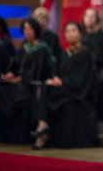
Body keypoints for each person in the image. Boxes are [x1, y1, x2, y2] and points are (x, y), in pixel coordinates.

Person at [0, 19, 52, 145]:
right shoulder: (23, 47)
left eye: (30, 28)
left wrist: (16, 79)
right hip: (18, 85)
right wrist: (10, 74)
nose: (27, 31)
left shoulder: (42, 49)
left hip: (30, 87)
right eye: (25, 28)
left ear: (36, 30)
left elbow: (36, 75)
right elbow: (15, 66)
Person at [34, 21, 97, 149]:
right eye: (67, 31)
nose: (70, 34)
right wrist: (55, 79)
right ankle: (42, 127)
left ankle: (42, 130)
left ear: (80, 33)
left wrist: (61, 82)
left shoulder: (85, 54)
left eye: (73, 30)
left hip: (77, 92)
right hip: (65, 88)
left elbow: (81, 79)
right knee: (44, 89)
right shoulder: (64, 54)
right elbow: (57, 73)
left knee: (47, 91)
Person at [80, 7, 103, 120]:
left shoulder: (101, 36)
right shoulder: (81, 37)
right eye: (86, 16)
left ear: (97, 20)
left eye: (92, 16)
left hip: (98, 71)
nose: (89, 18)